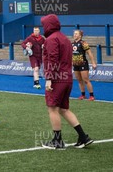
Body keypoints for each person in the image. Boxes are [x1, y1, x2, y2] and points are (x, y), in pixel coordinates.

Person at [41, 14, 93, 149]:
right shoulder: (64, 38)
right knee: (64, 109)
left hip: (57, 78)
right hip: (67, 77)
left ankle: (57, 141)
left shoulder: (52, 39)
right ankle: (83, 136)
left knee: (52, 109)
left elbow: (52, 59)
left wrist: (49, 79)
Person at [72, 30, 97, 100]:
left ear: (80, 35)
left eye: (76, 34)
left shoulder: (83, 43)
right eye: (74, 34)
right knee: (79, 80)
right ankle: (83, 95)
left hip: (83, 64)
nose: (75, 35)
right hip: (75, 65)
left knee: (86, 80)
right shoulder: (72, 44)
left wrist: (93, 63)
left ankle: (91, 95)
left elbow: (89, 53)